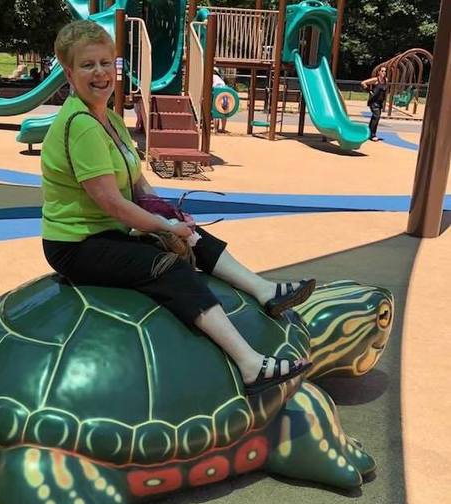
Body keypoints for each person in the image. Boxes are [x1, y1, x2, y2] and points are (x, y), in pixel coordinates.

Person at [41, 21, 315, 399]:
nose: (100, 73)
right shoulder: (81, 126)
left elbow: (137, 183)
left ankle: (264, 290)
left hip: (106, 231)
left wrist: (171, 215)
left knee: (193, 236)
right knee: (168, 267)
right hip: (77, 244)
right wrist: (164, 227)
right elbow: (112, 202)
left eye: (106, 62)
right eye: (88, 65)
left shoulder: (111, 120)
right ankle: (250, 363)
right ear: (70, 73)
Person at [361, 66, 388, 142]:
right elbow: (363, 83)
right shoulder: (376, 80)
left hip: (380, 102)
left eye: (385, 71)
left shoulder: (386, 80)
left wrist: (385, 100)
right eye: (382, 71)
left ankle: (369, 133)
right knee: (376, 116)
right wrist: (369, 91)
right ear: (379, 72)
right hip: (374, 102)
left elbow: (384, 91)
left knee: (375, 117)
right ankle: (372, 135)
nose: (384, 72)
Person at [212, 68, 228, 133]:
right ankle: (223, 129)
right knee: (224, 111)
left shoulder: (212, 76)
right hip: (224, 92)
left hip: (217, 90)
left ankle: (215, 129)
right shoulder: (220, 78)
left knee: (216, 112)